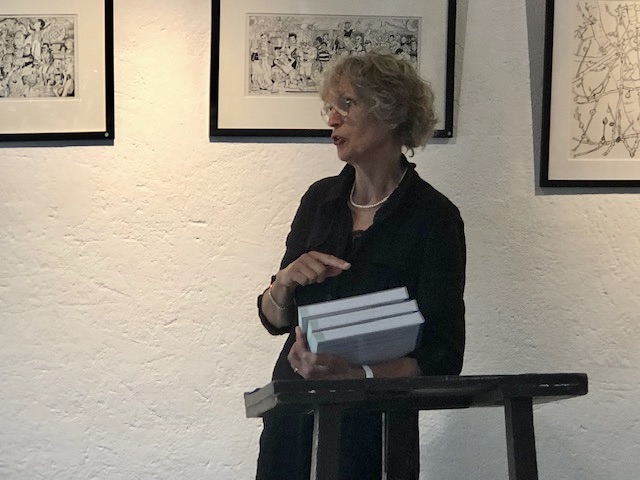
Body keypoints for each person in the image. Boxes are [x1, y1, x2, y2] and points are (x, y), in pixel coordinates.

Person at [255, 51, 466, 480]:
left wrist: (357, 375)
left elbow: (442, 354)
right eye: (330, 108)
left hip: (375, 429)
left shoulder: (435, 217)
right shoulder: (319, 200)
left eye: (346, 104)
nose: (332, 119)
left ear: (390, 111)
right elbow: (275, 320)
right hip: (293, 416)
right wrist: (284, 282)